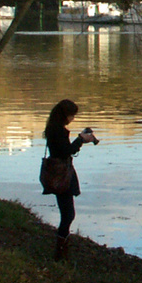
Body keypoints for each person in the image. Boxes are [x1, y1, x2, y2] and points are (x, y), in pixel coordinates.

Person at [42, 98, 98, 260]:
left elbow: (62, 150)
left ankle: (62, 249)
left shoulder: (53, 128)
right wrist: (81, 140)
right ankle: (60, 252)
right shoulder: (58, 131)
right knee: (68, 214)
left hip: (59, 172)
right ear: (64, 115)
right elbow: (67, 151)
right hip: (62, 175)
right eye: (72, 115)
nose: (73, 119)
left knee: (67, 213)